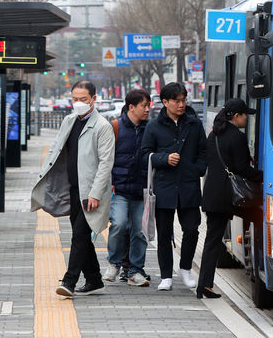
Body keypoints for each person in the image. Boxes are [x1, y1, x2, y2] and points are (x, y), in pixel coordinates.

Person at [31, 81, 115, 297]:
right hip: (73, 189)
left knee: (79, 235)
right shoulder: (68, 120)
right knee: (82, 236)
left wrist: (95, 194)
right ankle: (95, 280)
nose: (78, 103)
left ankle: (69, 282)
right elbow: (57, 151)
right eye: (75, 99)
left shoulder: (102, 126)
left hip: (91, 192)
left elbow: (106, 164)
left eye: (83, 99)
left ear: (94, 99)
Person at [140, 82, 207, 291]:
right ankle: (166, 275)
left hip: (188, 185)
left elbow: (204, 152)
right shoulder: (154, 126)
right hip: (164, 187)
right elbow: (144, 155)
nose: (181, 104)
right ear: (165, 102)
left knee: (191, 229)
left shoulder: (194, 124)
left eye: (183, 100)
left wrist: (198, 170)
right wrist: (164, 159)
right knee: (164, 233)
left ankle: (186, 268)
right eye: (177, 100)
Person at [197, 99, 261, 299]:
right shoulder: (237, 137)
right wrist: (264, 176)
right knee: (263, 218)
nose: (247, 118)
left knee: (212, 241)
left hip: (214, 194)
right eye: (245, 115)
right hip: (230, 196)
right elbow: (242, 169)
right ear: (236, 116)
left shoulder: (213, 135)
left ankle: (204, 286)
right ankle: (261, 265)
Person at [102, 89, 151, 287]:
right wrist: (110, 182)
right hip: (120, 189)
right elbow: (106, 158)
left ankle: (135, 271)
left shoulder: (151, 129)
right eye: (144, 106)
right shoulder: (115, 127)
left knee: (140, 231)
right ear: (132, 107)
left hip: (142, 190)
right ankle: (114, 264)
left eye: (149, 105)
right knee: (119, 224)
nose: (148, 109)